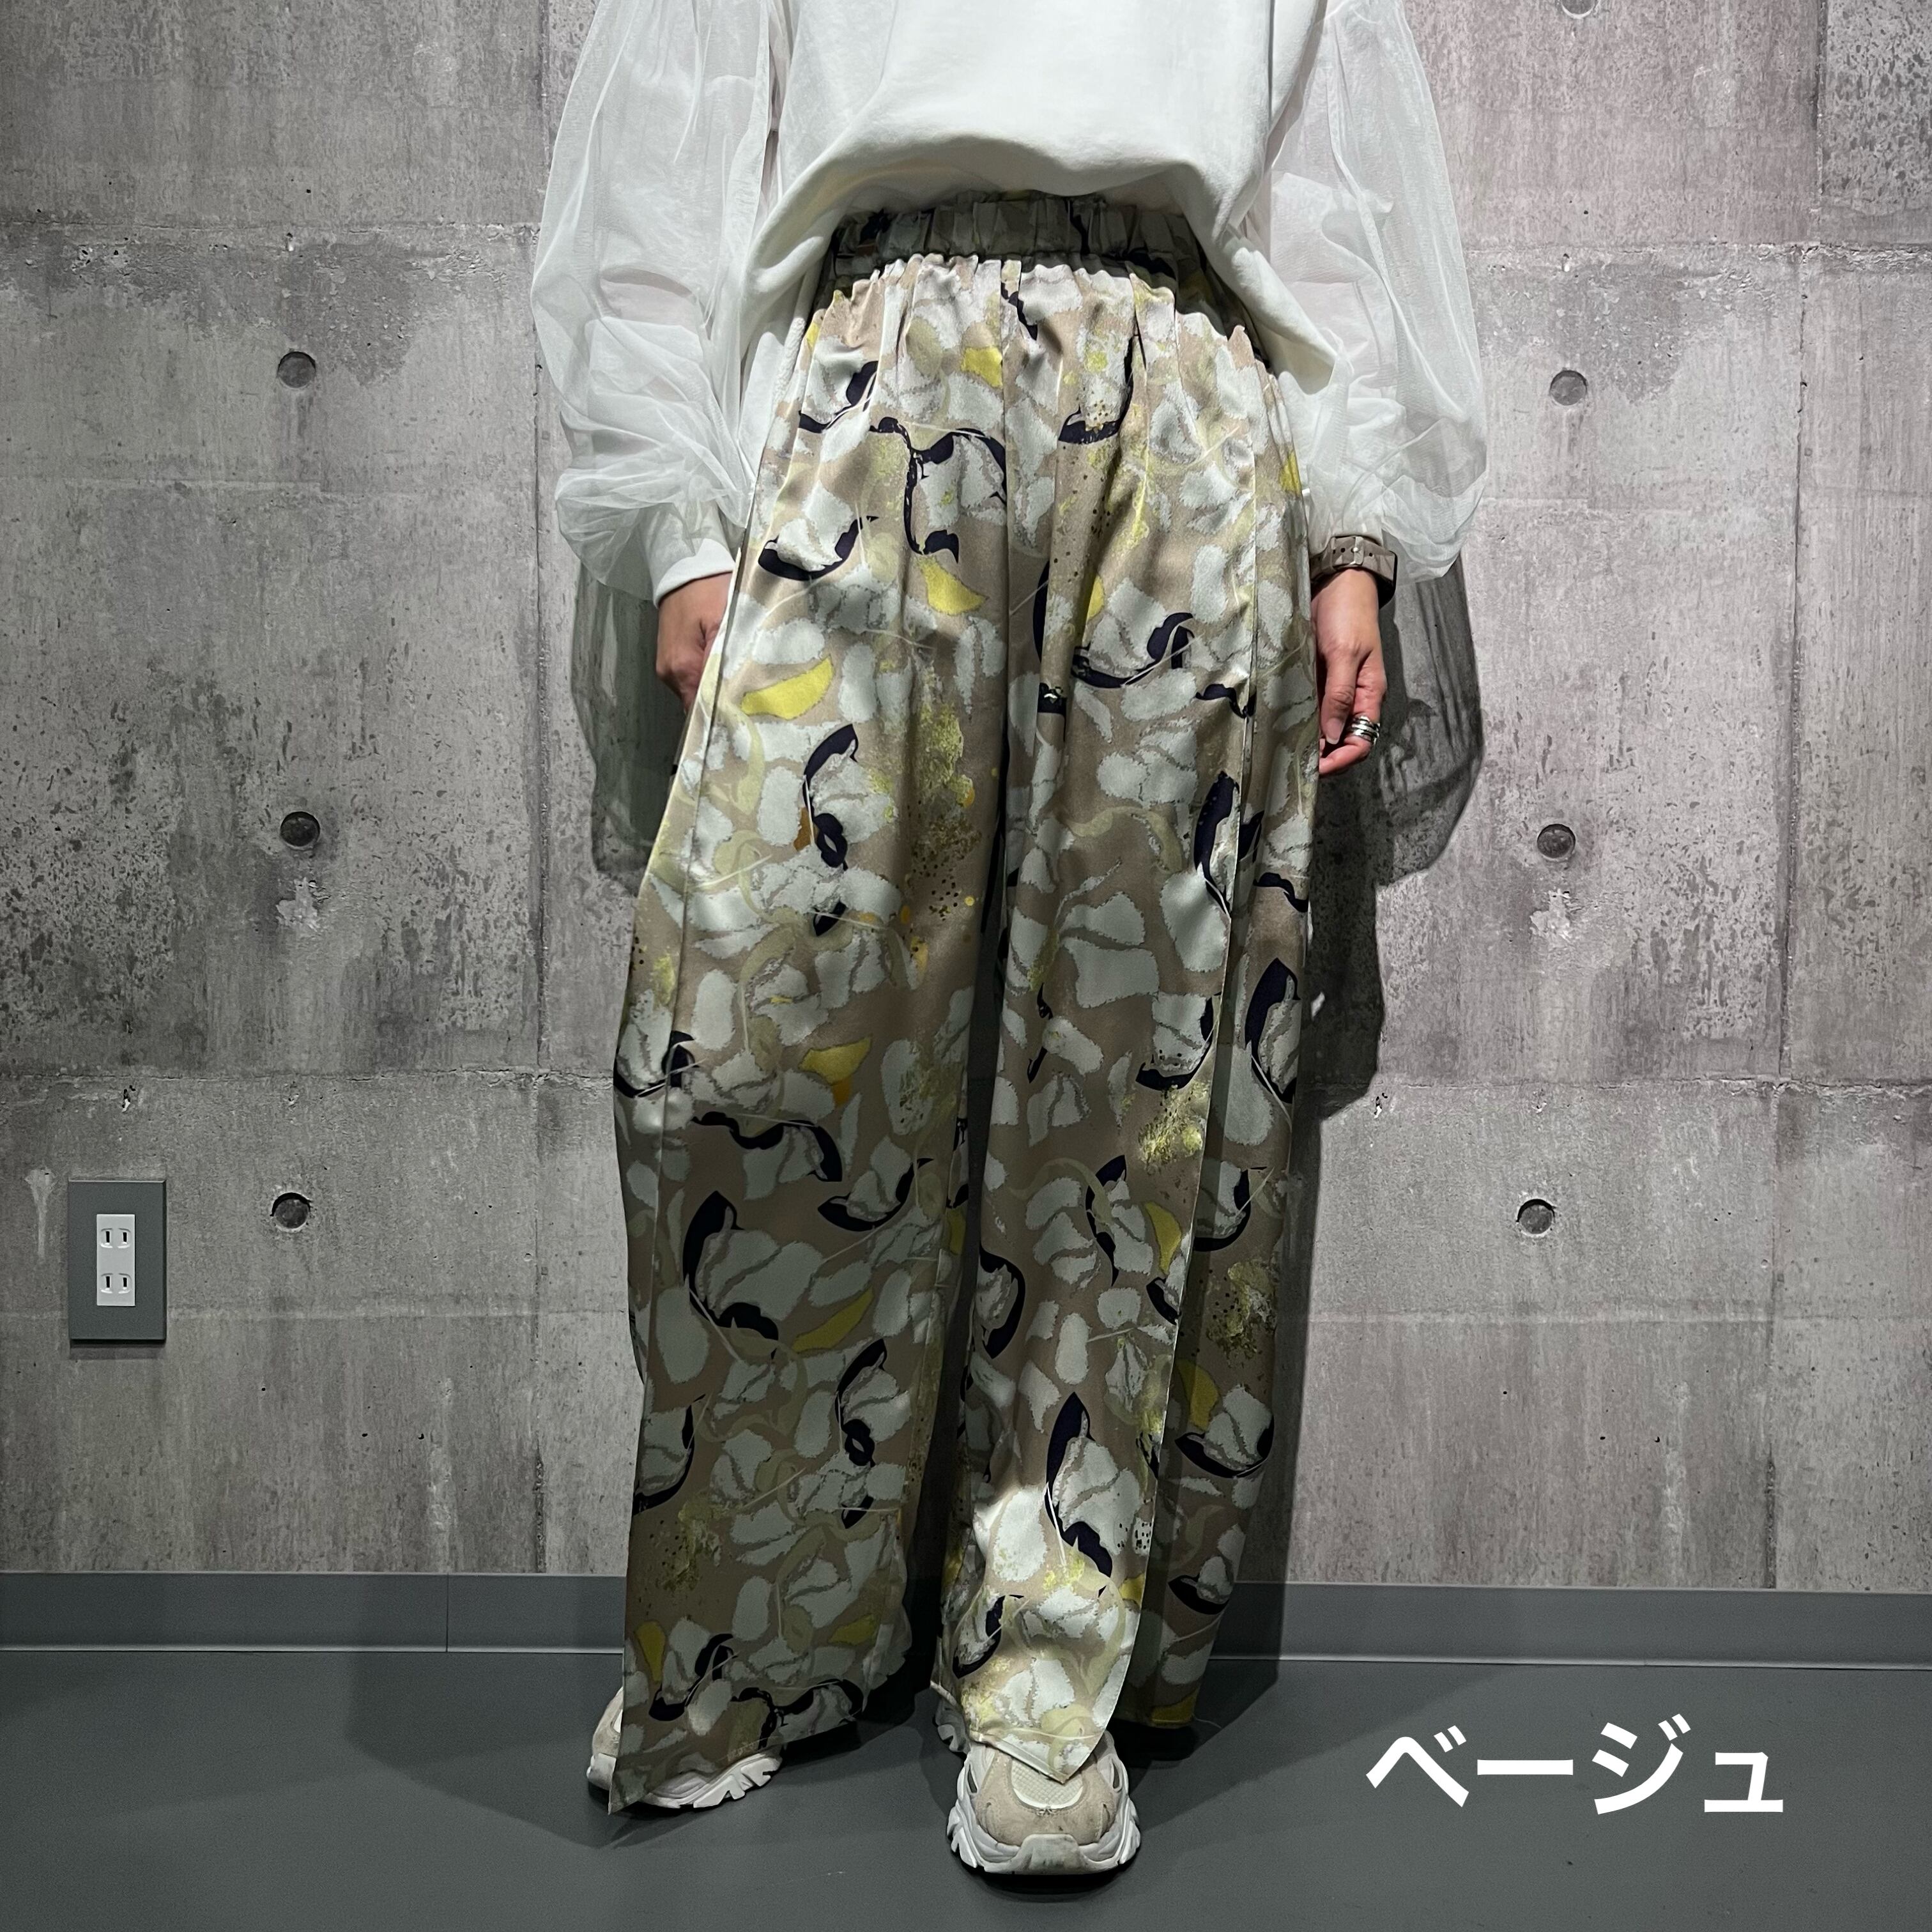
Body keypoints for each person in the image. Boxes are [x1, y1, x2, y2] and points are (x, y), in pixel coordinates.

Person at [531, 0, 1486, 1878]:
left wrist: (1354, 538)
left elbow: (1329, 193)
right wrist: (678, 528)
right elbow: (669, 157)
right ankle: (755, 1640)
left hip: (1189, 414)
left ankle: (1046, 1681)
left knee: (1125, 1084)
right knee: (759, 1034)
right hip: (867, 389)